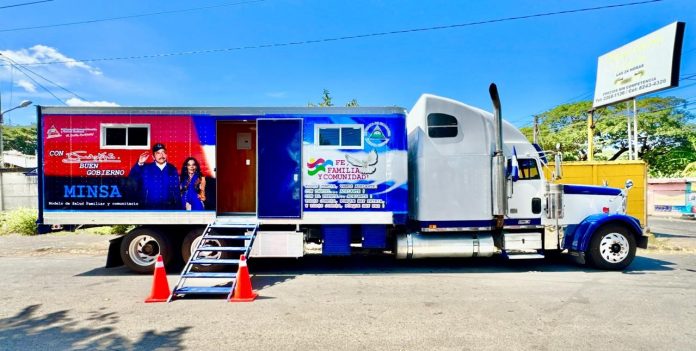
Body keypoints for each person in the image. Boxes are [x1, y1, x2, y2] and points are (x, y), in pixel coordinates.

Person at [129, 143, 181, 209]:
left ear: (166, 155)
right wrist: (139, 163)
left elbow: (176, 191)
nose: (161, 155)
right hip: (150, 208)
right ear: (153, 157)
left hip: (168, 209)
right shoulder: (146, 168)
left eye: (163, 152)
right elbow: (132, 178)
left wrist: (179, 209)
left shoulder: (172, 169)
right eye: (158, 153)